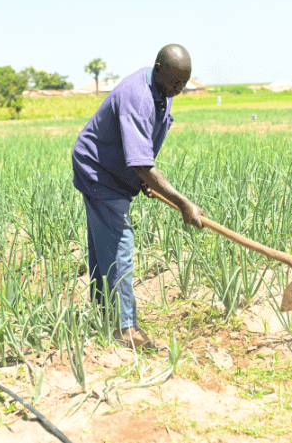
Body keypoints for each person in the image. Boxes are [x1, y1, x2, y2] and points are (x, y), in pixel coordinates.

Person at [71, 44, 206, 350]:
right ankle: (124, 328)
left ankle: (105, 317)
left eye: (183, 84)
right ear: (159, 70)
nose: (178, 90)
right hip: (98, 170)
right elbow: (142, 162)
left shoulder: (162, 90)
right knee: (119, 244)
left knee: (105, 247)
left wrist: (142, 179)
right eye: (174, 82)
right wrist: (184, 203)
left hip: (117, 170)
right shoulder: (138, 95)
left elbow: (142, 151)